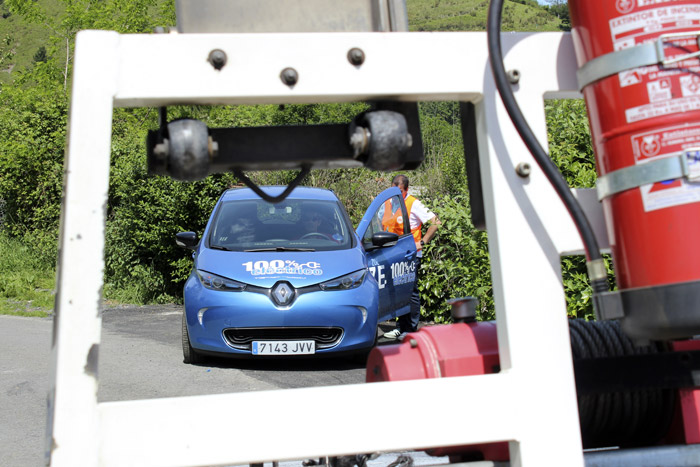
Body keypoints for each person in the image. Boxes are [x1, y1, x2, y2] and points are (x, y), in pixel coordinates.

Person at [383, 174, 441, 340]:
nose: (396, 194)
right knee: (397, 291)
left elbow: (435, 222)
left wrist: (421, 243)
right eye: (393, 190)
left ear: (406, 189)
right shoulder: (388, 203)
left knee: (410, 290)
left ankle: (411, 329)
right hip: (392, 255)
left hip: (410, 255)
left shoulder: (413, 203)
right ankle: (400, 327)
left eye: (400, 191)